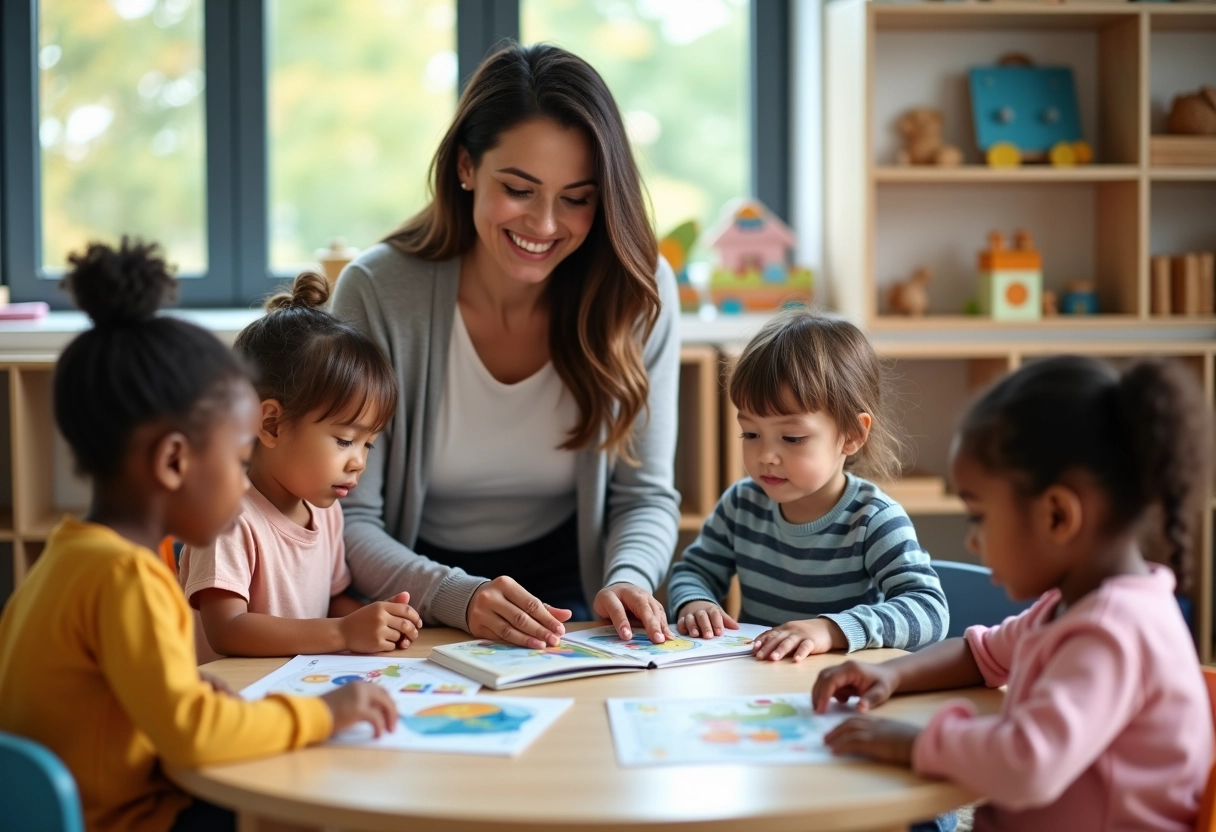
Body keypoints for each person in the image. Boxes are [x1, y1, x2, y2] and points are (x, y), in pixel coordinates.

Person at [0, 239, 396, 832]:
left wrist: (187, 688)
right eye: (238, 457)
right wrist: (321, 714)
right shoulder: (127, 580)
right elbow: (191, 739)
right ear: (173, 462)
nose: (243, 485)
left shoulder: (69, 556)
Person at [332, 43, 680, 649]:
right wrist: (456, 596)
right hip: (411, 588)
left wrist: (628, 579)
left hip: (576, 591)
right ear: (466, 166)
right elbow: (350, 517)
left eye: (577, 198)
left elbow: (644, 496)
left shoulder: (637, 292)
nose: (545, 225)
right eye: (519, 189)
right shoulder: (376, 291)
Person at [815, 356, 1215, 832]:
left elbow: (1029, 763)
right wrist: (888, 675)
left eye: (979, 517)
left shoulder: (1111, 630)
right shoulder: (1073, 605)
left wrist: (913, 742)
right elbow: (980, 653)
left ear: (1057, 516)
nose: (972, 540)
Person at [667, 310, 949, 658]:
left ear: (852, 435)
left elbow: (930, 610)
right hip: (757, 684)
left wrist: (832, 629)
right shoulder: (742, 504)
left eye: (792, 437)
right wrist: (694, 603)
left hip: (839, 687)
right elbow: (694, 570)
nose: (766, 455)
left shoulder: (873, 520)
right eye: (751, 433)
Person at [179, 271, 421, 663]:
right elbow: (227, 629)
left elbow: (333, 599)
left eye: (368, 444)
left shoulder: (326, 514)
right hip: (234, 707)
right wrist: (343, 631)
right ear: (271, 424)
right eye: (345, 440)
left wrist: (376, 622)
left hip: (296, 696)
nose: (358, 461)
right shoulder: (226, 517)